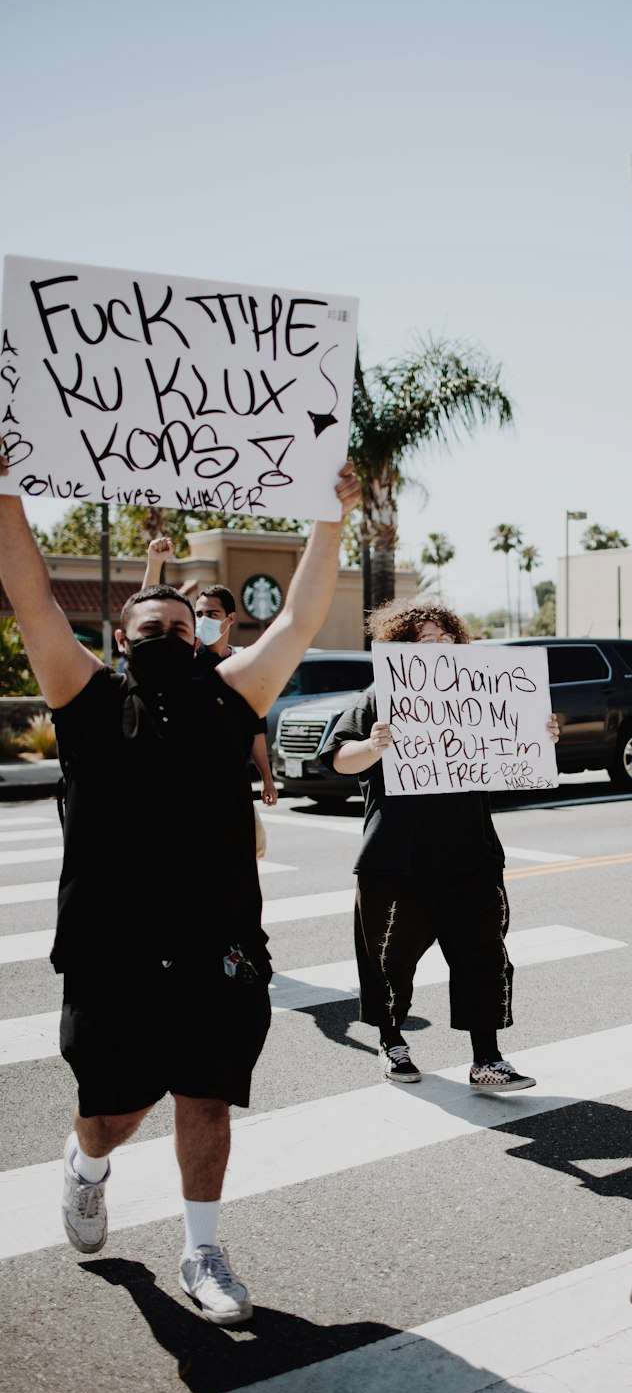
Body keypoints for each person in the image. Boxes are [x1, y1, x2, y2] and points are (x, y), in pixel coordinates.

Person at [0, 452, 360, 1327]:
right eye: (147, 626)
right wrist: (7, 493)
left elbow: (303, 619)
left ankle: (203, 1249)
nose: (162, 634)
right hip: (109, 951)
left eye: (174, 624)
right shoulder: (84, 697)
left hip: (217, 946)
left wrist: (329, 518)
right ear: (124, 640)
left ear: (196, 637)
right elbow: (32, 597)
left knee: (206, 1095)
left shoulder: (231, 697)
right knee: (116, 1112)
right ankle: (87, 1165)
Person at [329, 599, 558, 1091]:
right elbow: (339, 757)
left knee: (483, 957)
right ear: (400, 647)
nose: (436, 645)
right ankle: (393, 1043)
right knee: (390, 962)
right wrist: (373, 747)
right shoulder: (378, 696)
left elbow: (518, 760)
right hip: (396, 860)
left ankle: (487, 1059)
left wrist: (540, 736)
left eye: (444, 636)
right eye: (423, 638)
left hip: (472, 857)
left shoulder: (484, 693)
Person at [143, 545, 279, 827]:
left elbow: (255, 728)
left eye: (212, 614)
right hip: (189, 785)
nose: (203, 620)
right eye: (199, 613)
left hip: (233, 786)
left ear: (230, 618)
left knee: (245, 859)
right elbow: (144, 618)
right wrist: (153, 565)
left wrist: (267, 778)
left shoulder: (243, 669)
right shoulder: (185, 660)